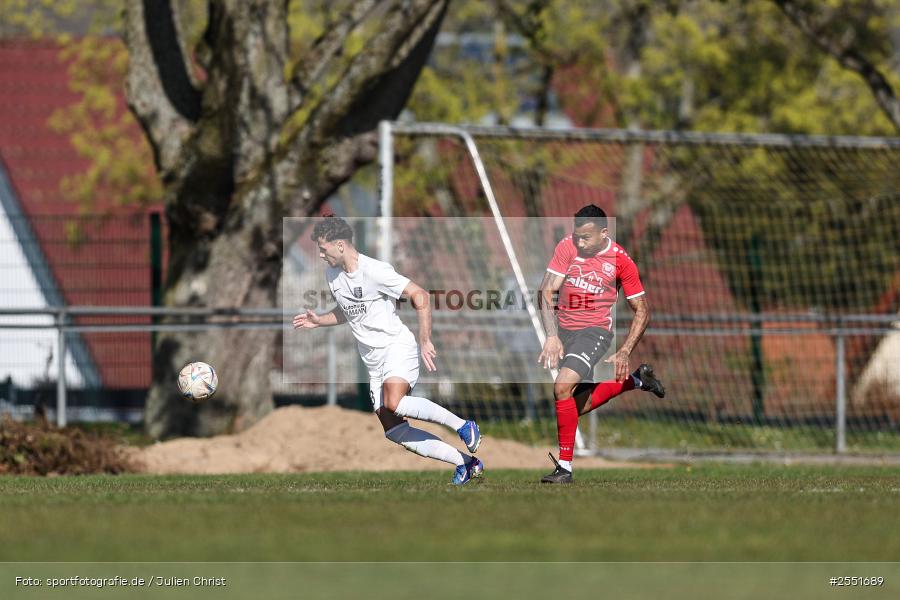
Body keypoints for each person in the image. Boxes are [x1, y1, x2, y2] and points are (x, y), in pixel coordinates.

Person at [293, 216, 484, 485]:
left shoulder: (375, 270)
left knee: (395, 402)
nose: (320, 254)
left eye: (323, 249)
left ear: (339, 246)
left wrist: (425, 340)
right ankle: (466, 463)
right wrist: (319, 320)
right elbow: (347, 310)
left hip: (396, 347)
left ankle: (463, 425)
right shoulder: (332, 274)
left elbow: (421, 296)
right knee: (394, 430)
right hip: (374, 362)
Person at [537, 205, 665, 484]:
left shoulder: (621, 261)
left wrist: (625, 350)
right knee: (573, 404)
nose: (580, 242)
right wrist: (551, 335)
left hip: (594, 332)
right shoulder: (567, 246)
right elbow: (547, 290)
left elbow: (642, 310)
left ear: (603, 232)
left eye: (586, 237)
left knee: (561, 387)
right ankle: (636, 381)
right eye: (577, 236)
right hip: (565, 330)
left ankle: (565, 468)